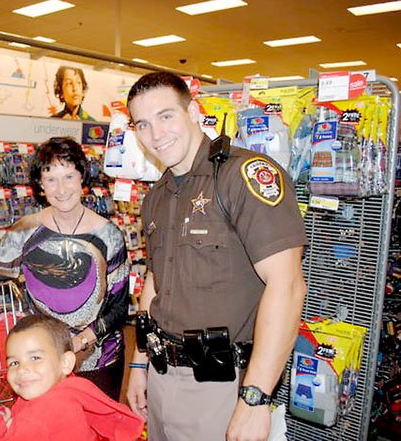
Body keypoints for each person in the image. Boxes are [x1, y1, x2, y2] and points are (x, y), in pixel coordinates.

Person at [124, 71, 308, 441]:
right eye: (142, 124)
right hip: (161, 378)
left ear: (193, 112)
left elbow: (286, 287)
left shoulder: (244, 176)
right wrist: (139, 363)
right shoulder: (156, 197)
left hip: (224, 387)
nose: (156, 135)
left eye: (166, 116)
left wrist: (255, 399)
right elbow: (155, 285)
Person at [0, 137, 129, 400]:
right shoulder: (26, 230)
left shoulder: (109, 236)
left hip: (98, 359)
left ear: (82, 177)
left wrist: (79, 342)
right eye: (51, 179)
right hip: (41, 363)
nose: (61, 189)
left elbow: (118, 308)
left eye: (69, 176)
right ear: (39, 184)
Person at [0, 314, 144, 440]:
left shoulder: (38, 417)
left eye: (35, 358)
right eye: (14, 363)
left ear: (65, 362)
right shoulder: (69, 389)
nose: (22, 369)